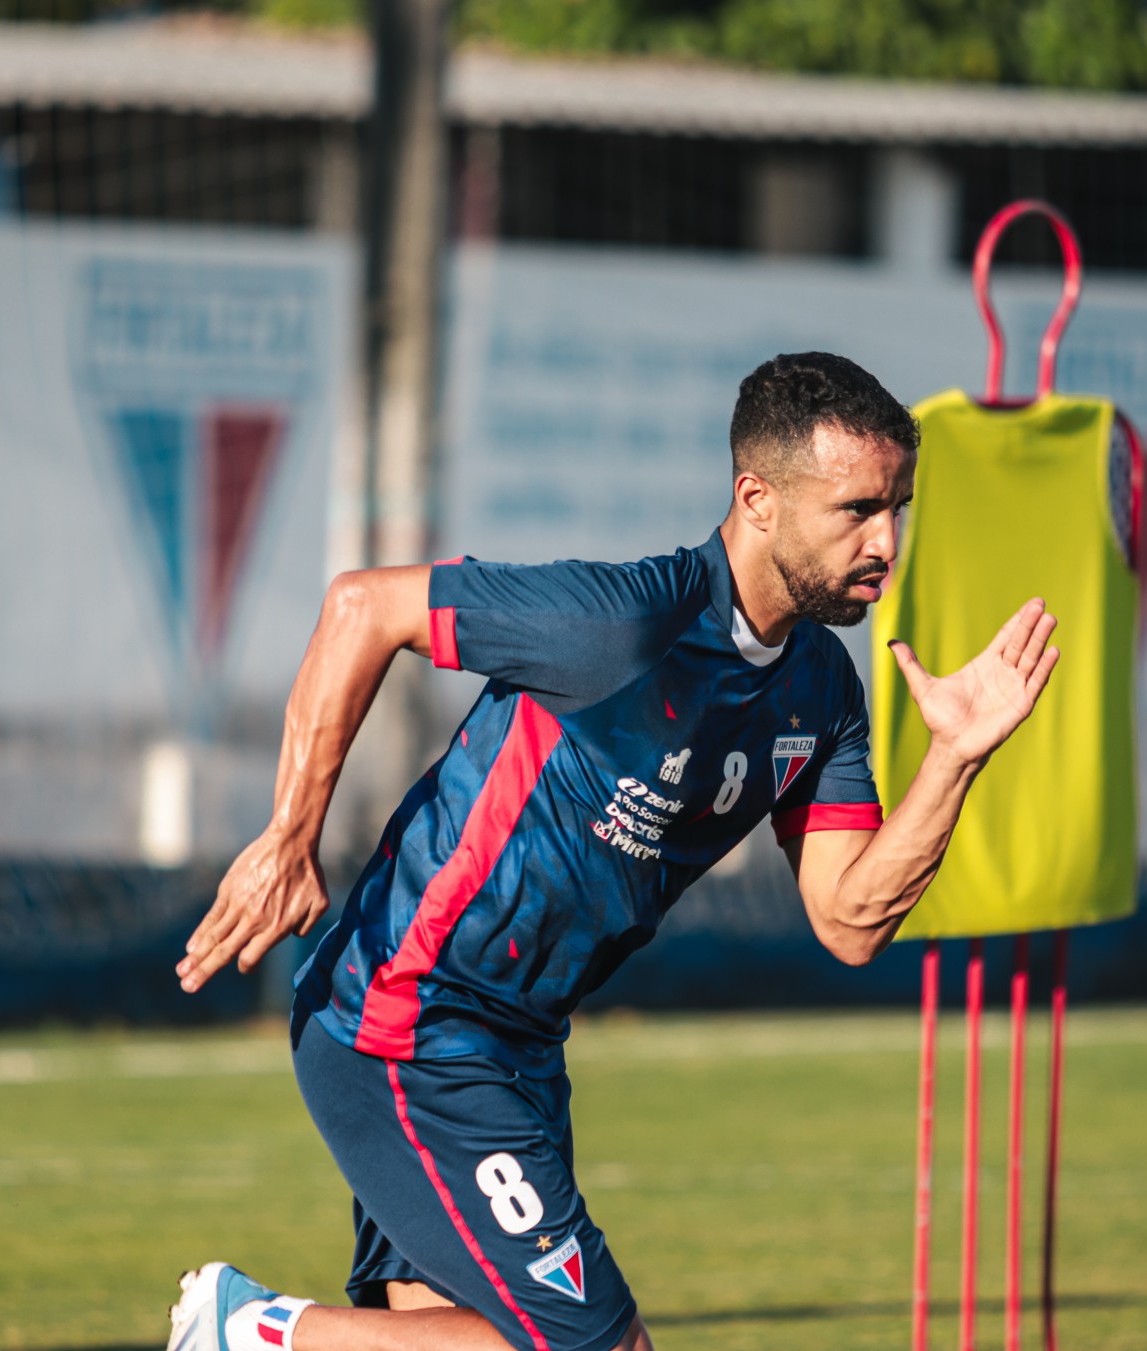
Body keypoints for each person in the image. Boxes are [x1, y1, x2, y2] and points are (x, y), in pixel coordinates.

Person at [166, 352, 1061, 1351]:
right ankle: (247, 1332)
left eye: (898, 506)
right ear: (757, 501)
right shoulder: (624, 621)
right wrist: (291, 838)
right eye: (856, 509)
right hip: (406, 1017)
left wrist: (953, 762)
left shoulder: (821, 691)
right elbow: (362, 607)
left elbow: (850, 921)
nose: (886, 541)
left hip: (517, 1045)